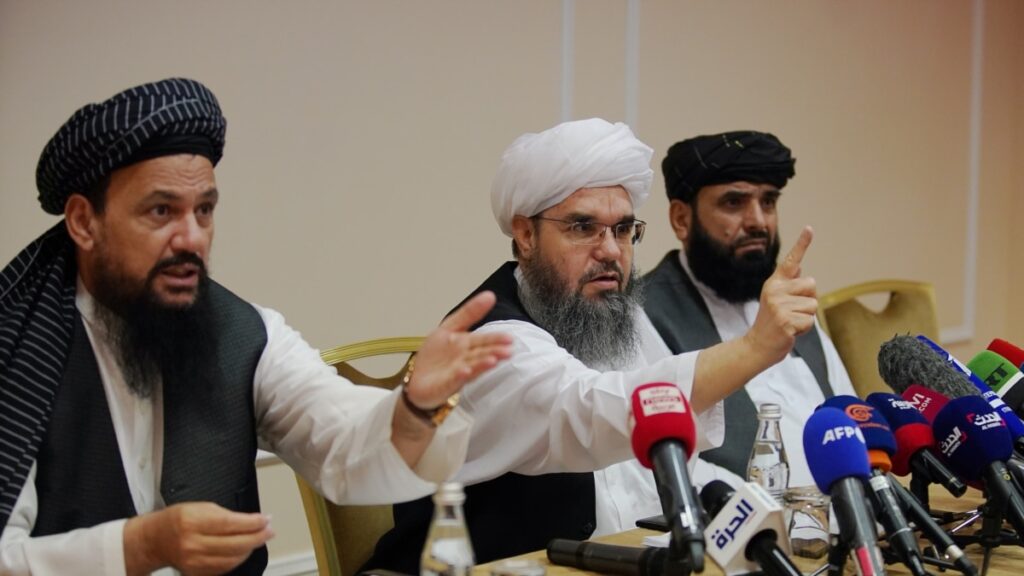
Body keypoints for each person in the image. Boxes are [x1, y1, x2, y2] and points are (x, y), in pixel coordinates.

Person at [0, 78, 512, 576]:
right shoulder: (16, 351)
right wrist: (138, 548)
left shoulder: (245, 335)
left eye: (204, 210)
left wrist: (416, 408)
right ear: (83, 222)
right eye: (161, 211)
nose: (191, 238)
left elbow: (343, 443)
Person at [365, 118, 820, 571]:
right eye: (583, 227)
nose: (611, 251)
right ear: (525, 235)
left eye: (622, 230)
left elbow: (665, 461)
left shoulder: (612, 316)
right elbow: (592, 410)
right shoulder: (488, 344)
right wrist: (755, 347)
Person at [643, 131, 855, 489]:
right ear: (681, 219)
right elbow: (669, 470)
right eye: (733, 202)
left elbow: (851, 419)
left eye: (768, 202)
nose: (758, 221)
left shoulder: (789, 303)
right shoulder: (647, 313)